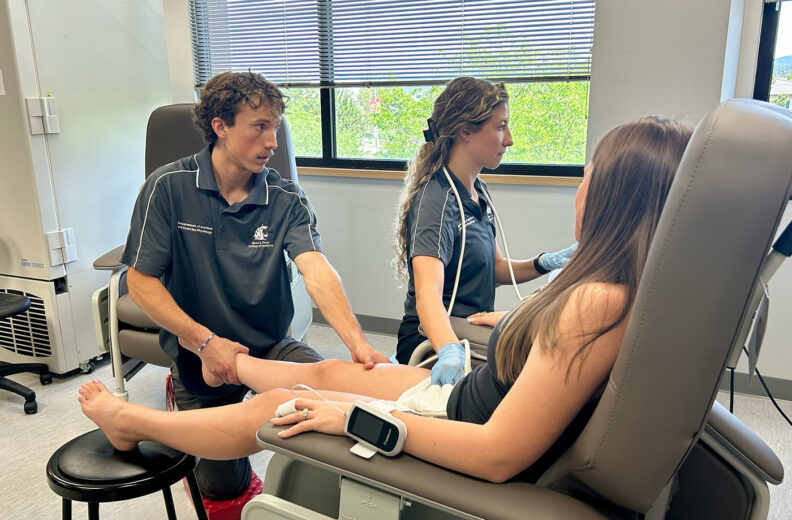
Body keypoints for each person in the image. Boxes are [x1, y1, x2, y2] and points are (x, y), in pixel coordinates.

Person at [83, 115, 692, 484]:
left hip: (459, 420)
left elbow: (500, 453)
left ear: (618, 199)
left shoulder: (597, 302)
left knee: (285, 403)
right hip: (464, 393)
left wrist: (352, 417)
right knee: (322, 368)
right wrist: (519, 320)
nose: (579, 187)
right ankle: (227, 360)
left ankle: (128, 418)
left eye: (588, 177)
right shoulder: (630, 286)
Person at [120, 71, 388, 502]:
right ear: (220, 126)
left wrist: (356, 342)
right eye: (260, 127)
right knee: (222, 487)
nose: (273, 142)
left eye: (276, 127)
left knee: (330, 407)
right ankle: (182, 397)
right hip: (199, 352)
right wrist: (205, 343)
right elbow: (141, 280)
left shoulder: (286, 197)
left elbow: (315, 269)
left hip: (269, 343)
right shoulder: (167, 188)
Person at [392, 77, 576, 382]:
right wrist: (449, 349)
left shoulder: (478, 191)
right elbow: (428, 295)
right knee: (530, 353)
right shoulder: (436, 201)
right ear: (465, 131)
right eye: (500, 127)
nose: (509, 140)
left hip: (469, 327)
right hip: (434, 339)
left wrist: (546, 262)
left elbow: (497, 270)